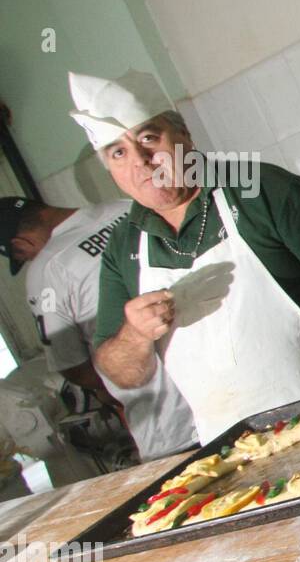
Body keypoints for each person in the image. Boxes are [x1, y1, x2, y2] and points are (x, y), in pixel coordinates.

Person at [74, 70, 300, 444]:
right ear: (111, 170)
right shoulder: (123, 248)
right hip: (231, 455)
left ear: (184, 134)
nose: (141, 161)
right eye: (118, 153)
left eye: (149, 138)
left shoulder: (261, 190)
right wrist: (135, 334)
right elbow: (122, 373)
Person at [0, 196, 198, 460]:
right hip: (228, 385)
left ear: (20, 244)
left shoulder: (48, 269)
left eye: (22, 256)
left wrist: (112, 388)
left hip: (172, 424)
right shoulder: (128, 206)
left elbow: (72, 366)